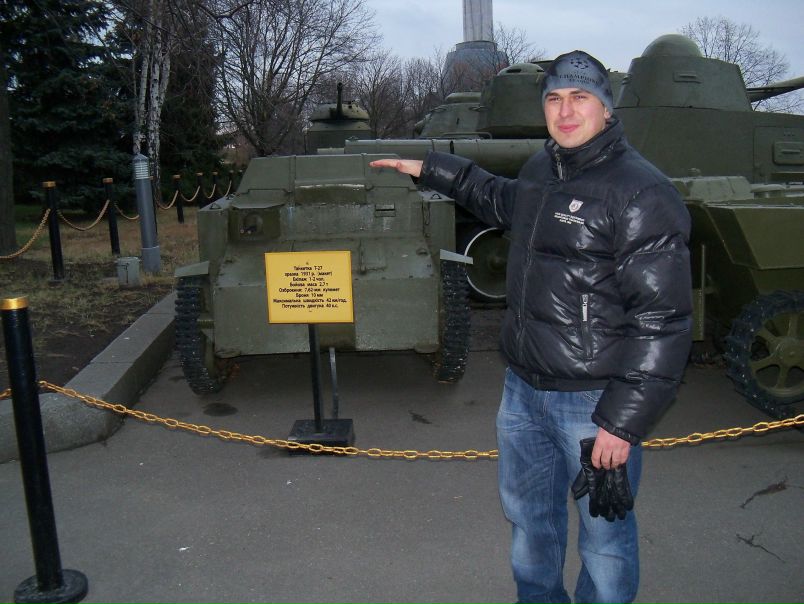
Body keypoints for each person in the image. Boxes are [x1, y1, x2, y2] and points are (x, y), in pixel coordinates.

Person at [370, 49, 692, 604]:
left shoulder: (641, 193)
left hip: (593, 404)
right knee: (529, 524)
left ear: (606, 108)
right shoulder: (544, 169)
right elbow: (501, 200)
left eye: (580, 98)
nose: (565, 112)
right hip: (522, 391)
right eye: (555, 99)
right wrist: (432, 168)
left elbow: (662, 322)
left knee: (605, 541)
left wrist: (621, 423)